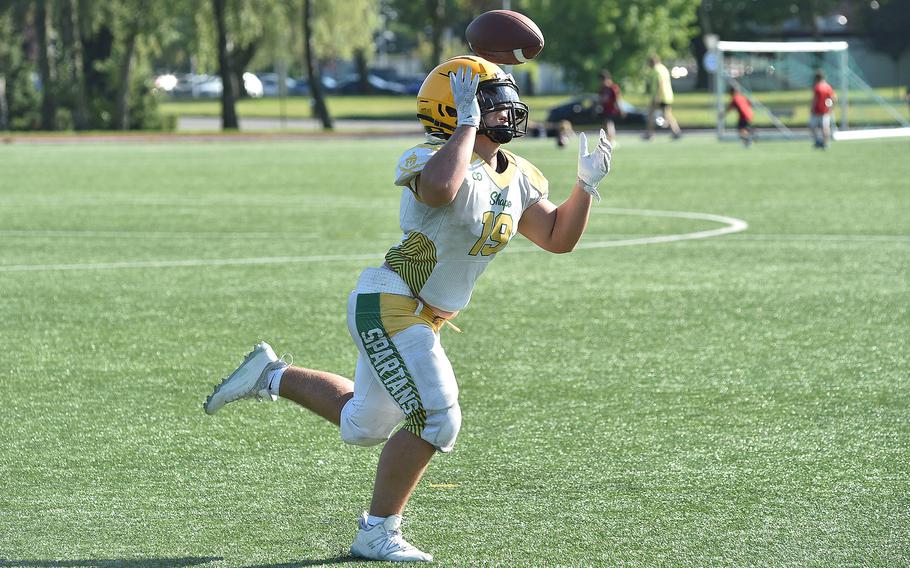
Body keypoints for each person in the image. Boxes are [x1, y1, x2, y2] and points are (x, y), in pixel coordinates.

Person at [202, 55, 613, 563]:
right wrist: (466, 126)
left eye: (504, 100)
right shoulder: (428, 158)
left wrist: (586, 188)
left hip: (423, 318)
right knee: (439, 417)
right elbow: (443, 190)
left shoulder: (520, 174)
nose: (506, 111)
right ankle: (377, 530)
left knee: (363, 426)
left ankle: (270, 374)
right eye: (490, 102)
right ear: (454, 109)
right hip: (391, 303)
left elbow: (556, 237)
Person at [644, 54, 681, 140]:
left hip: (660, 96)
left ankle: (650, 133)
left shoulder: (656, 70)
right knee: (668, 115)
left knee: (650, 114)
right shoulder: (663, 68)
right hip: (667, 96)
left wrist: (657, 97)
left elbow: (659, 83)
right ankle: (676, 131)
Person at [809, 70, 837, 149]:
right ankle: (826, 143)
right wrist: (831, 108)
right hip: (825, 111)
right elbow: (834, 98)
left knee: (812, 127)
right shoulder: (828, 87)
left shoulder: (817, 87)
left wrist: (811, 108)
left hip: (817, 111)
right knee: (825, 128)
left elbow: (815, 99)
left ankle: (817, 141)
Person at [598, 70, 625, 143]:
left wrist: (621, 109)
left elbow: (618, 99)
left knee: (609, 124)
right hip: (605, 110)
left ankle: (612, 140)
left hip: (612, 110)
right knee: (606, 125)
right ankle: (609, 140)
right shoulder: (602, 89)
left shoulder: (613, 87)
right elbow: (600, 100)